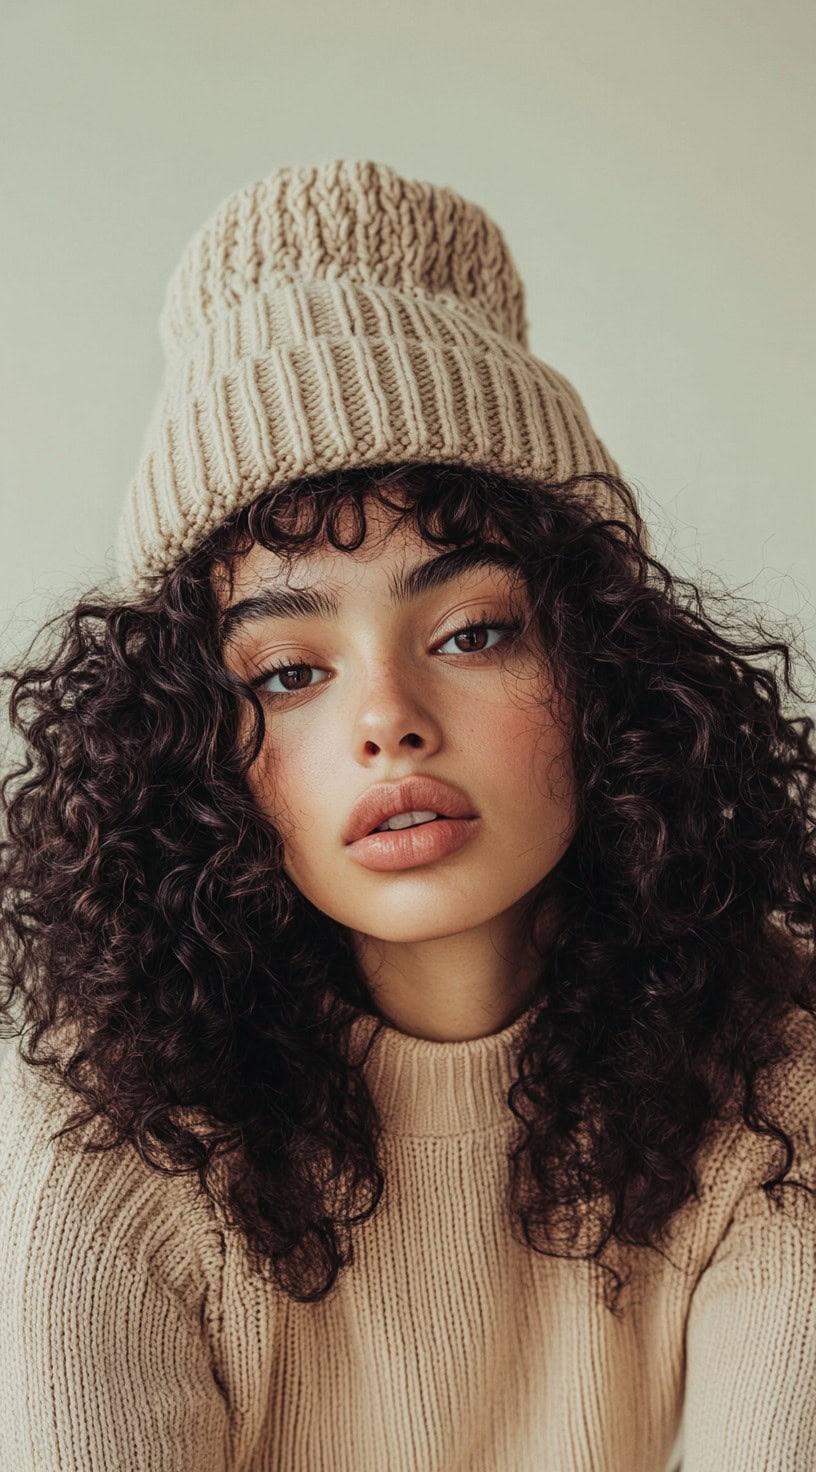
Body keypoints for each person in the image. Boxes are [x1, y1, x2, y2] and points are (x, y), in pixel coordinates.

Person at [0, 158, 814, 1472]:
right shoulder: (102, 1128)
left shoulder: (778, 1105)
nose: (389, 718)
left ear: (608, 674)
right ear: (188, 745)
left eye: (474, 630)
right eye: (289, 673)